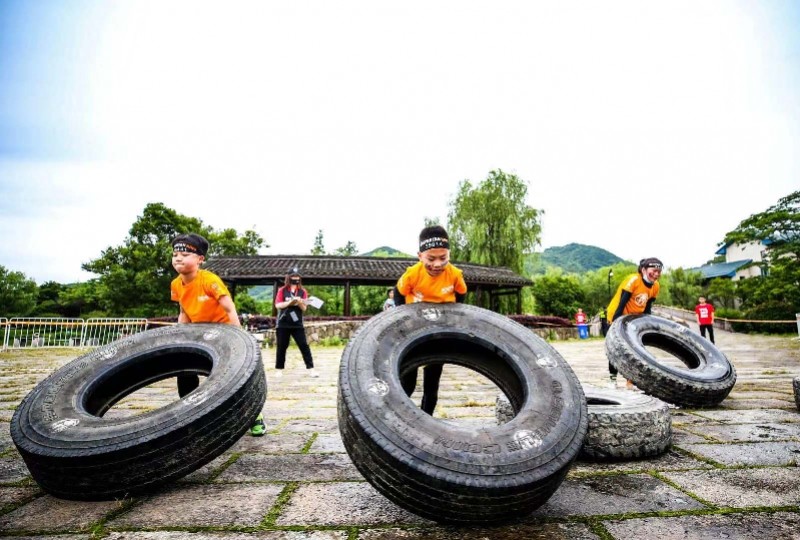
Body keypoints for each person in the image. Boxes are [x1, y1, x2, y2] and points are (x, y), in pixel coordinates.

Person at [170, 234, 265, 436]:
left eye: (185, 254)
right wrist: (179, 336)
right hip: (199, 335)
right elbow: (184, 311)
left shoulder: (210, 281)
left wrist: (241, 340)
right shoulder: (176, 284)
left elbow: (230, 310)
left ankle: (254, 414)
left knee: (233, 375)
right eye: (175, 254)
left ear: (200, 259)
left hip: (224, 334)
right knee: (184, 372)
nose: (178, 258)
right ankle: (190, 416)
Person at [394, 225, 468, 416]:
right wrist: (403, 320)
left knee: (431, 384)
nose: (437, 264)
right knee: (407, 381)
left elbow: (461, 297)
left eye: (443, 258)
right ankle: (401, 416)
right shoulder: (412, 274)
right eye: (431, 259)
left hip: (438, 333)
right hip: (413, 331)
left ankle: (426, 421)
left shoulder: (455, 275)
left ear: (449, 254)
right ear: (420, 256)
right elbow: (398, 294)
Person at [605, 257, 663, 385]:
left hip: (634, 319)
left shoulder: (656, 286)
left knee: (635, 349)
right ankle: (612, 379)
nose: (656, 274)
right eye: (653, 270)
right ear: (643, 270)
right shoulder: (633, 280)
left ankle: (630, 381)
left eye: (659, 271)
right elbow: (622, 303)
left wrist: (647, 326)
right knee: (616, 348)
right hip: (617, 314)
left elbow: (648, 308)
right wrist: (615, 322)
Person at [274, 267, 317, 379]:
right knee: (282, 346)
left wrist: (299, 302)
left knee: (304, 345)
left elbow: (304, 308)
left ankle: (311, 369)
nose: (295, 279)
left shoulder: (302, 291)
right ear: (288, 277)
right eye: (293, 277)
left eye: (297, 277)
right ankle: (279, 369)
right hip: (283, 322)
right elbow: (278, 305)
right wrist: (289, 302)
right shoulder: (282, 290)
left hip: (297, 323)